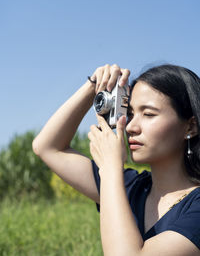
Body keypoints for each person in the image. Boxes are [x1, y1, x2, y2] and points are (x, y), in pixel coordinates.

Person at [32, 64, 200, 255]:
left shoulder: (195, 206)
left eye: (148, 114)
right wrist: (94, 86)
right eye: (130, 114)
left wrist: (110, 169)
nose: (130, 127)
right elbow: (47, 147)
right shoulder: (131, 188)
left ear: (190, 127)